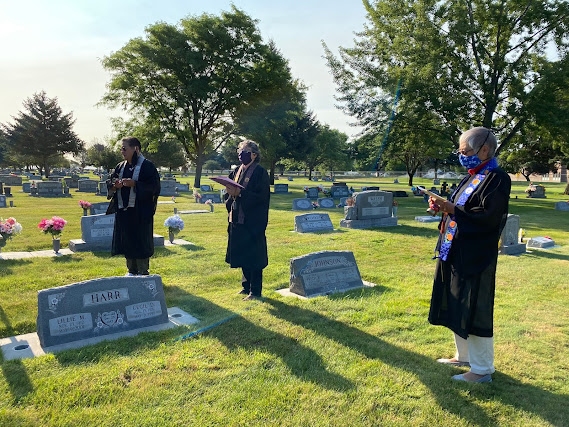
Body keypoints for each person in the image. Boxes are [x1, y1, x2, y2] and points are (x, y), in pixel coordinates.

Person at [428, 127, 511, 383]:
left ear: (484, 150)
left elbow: (488, 219)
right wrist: (442, 208)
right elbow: (460, 208)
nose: (462, 156)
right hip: (455, 249)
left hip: (476, 255)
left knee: (475, 307)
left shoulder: (497, 178)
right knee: (456, 301)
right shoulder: (471, 176)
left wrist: (453, 209)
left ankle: (482, 370)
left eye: (465, 151)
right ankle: (463, 355)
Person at [106, 137, 161, 276]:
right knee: (127, 240)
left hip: (141, 213)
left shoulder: (147, 166)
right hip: (124, 212)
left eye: (125, 148)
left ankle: (143, 271)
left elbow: (154, 187)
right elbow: (111, 181)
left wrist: (135, 184)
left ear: (135, 149)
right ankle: (131, 270)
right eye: (121, 148)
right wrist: (115, 185)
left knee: (140, 241)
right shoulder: (120, 166)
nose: (122, 151)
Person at [224, 140, 270, 301]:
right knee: (243, 253)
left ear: (254, 154)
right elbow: (229, 193)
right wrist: (230, 194)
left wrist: (241, 194)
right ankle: (245, 286)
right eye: (239, 150)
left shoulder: (260, 173)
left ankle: (255, 291)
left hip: (253, 221)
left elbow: (261, 197)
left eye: (244, 151)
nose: (240, 153)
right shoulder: (236, 171)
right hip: (237, 219)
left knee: (254, 256)